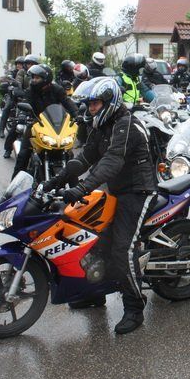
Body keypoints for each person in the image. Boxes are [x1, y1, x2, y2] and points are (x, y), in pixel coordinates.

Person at [42, 77, 156, 334]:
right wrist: (55, 180)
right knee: (93, 241)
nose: (91, 108)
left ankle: (135, 308)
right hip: (116, 190)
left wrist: (82, 188)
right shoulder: (102, 125)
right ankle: (94, 293)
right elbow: (85, 157)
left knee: (122, 250)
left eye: (95, 104)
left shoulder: (127, 124)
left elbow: (112, 161)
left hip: (138, 191)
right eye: (89, 104)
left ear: (109, 102)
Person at [12, 64, 78, 178]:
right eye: (33, 77)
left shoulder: (57, 89)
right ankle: (14, 185)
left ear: (46, 78)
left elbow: (67, 102)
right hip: (36, 124)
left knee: (68, 152)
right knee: (23, 155)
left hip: (56, 126)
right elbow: (25, 101)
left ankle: (73, 184)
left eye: (37, 78)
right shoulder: (31, 91)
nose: (34, 80)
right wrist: (22, 114)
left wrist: (77, 114)